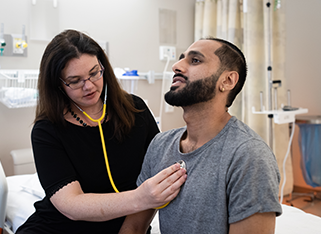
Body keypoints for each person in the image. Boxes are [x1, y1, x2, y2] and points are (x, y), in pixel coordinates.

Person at [16, 29, 187, 234]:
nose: (88, 86)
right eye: (75, 80)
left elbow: (157, 173)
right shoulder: (47, 129)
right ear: (58, 84)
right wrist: (141, 198)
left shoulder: (135, 110)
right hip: (58, 226)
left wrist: (133, 226)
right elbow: (71, 204)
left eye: (94, 73)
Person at [119, 38, 282, 234]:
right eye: (180, 59)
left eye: (195, 60)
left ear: (227, 81)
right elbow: (134, 227)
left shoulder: (249, 155)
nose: (176, 66)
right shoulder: (160, 145)